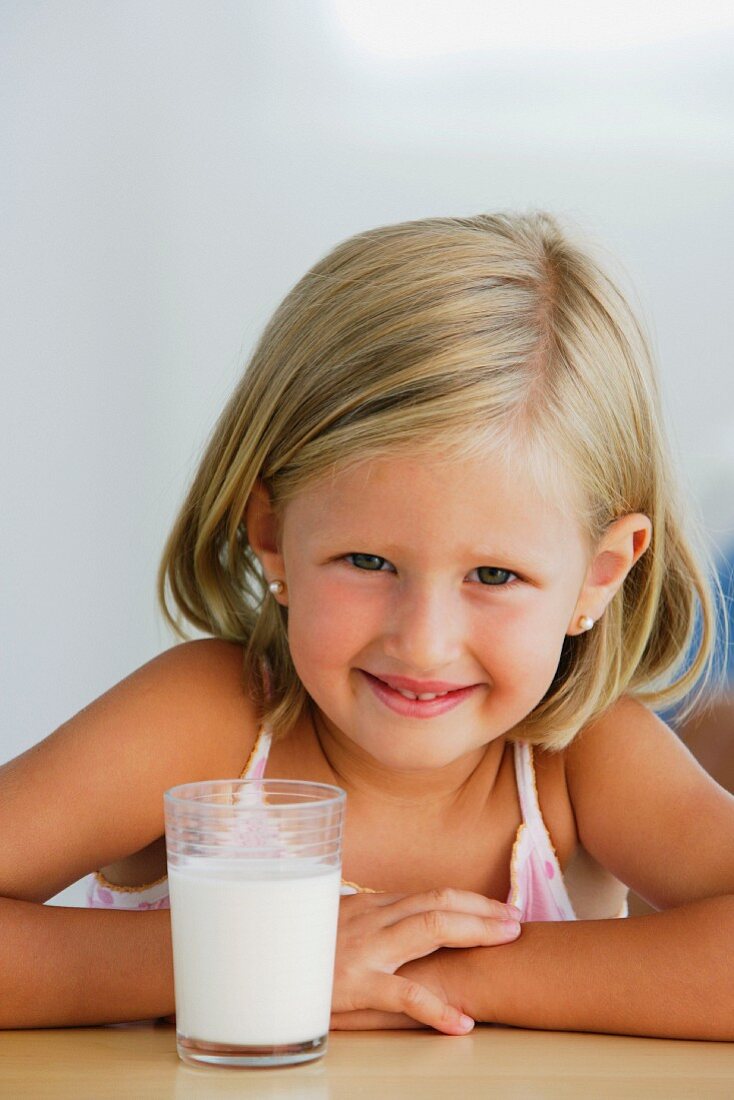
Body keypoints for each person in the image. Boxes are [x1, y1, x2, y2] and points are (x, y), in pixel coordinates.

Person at [2, 210, 733, 1040]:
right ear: (273, 538)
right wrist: (272, 959)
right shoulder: (205, 725)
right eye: (368, 563)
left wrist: (434, 973)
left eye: (494, 576)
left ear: (598, 575)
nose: (423, 642)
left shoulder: (582, 763)